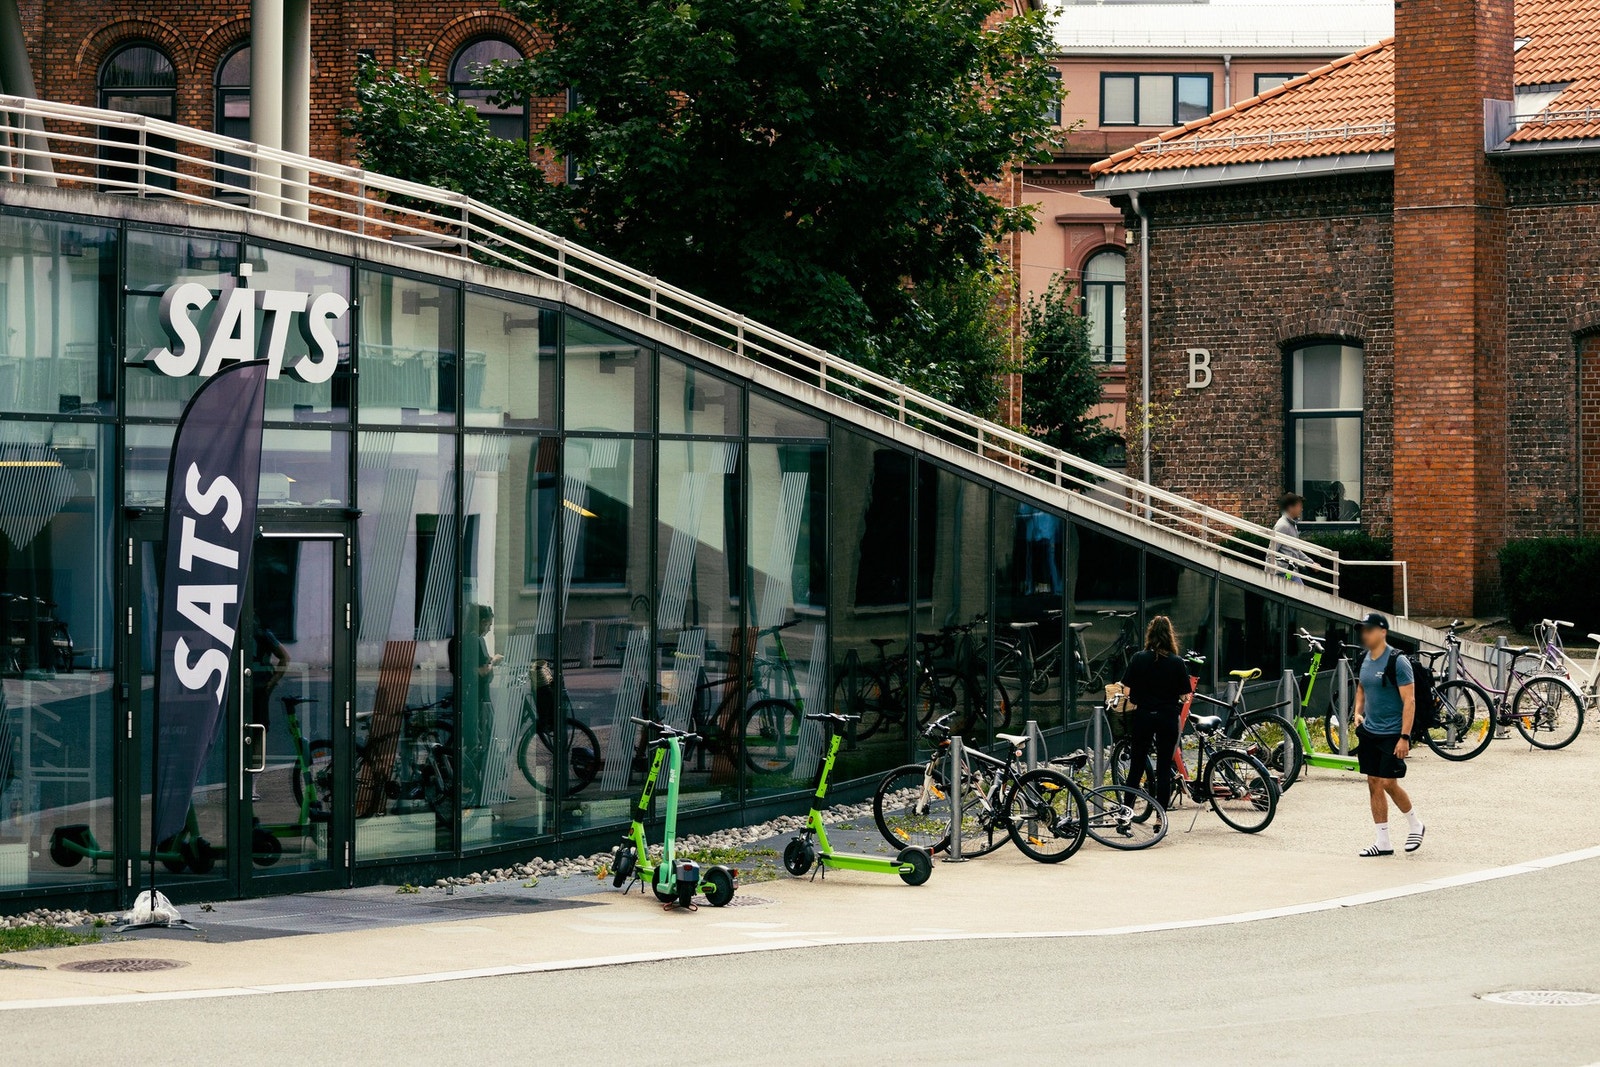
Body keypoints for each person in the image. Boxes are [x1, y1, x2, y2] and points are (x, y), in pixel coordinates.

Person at [1351, 611, 1425, 857]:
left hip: (1393, 732)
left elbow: (1410, 701)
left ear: (1383, 632)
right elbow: (1361, 687)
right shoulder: (1364, 659)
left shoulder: (1398, 661)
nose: (1365, 634)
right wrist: (1358, 711)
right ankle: (1383, 842)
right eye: (1363, 630)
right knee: (1373, 782)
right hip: (1370, 731)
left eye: (1369, 630)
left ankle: (1415, 824)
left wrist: (1405, 737)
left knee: (1388, 782)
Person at [1116, 615, 1192, 808]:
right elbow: (1185, 696)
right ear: (1170, 636)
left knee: (1136, 766)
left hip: (1144, 716)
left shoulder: (1138, 658)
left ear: (1150, 635)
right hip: (1167, 717)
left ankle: (1127, 811)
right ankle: (1161, 815)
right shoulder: (1177, 662)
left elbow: (1126, 690)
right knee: (1164, 768)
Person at [1269, 492, 1311, 583]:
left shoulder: (1292, 525)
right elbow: (1271, 551)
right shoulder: (1283, 526)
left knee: (1299, 589)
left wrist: (1311, 563)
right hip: (1284, 572)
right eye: (1299, 506)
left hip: (1290, 571)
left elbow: (1295, 550)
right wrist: (1268, 576)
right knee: (1299, 589)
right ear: (1290, 508)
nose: (1302, 509)